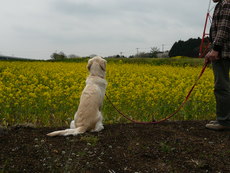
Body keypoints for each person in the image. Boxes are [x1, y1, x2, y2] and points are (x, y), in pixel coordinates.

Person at [205, 0, 230, 130]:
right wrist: (210, 51)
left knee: (221, 86)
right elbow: (215, 33)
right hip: (221, 50)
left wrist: (216, 49)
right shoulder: (220, 4)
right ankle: (223, 118)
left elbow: (224, 28)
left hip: (224, 52)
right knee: (223, 85)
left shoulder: (226, 3)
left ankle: (224, 121)